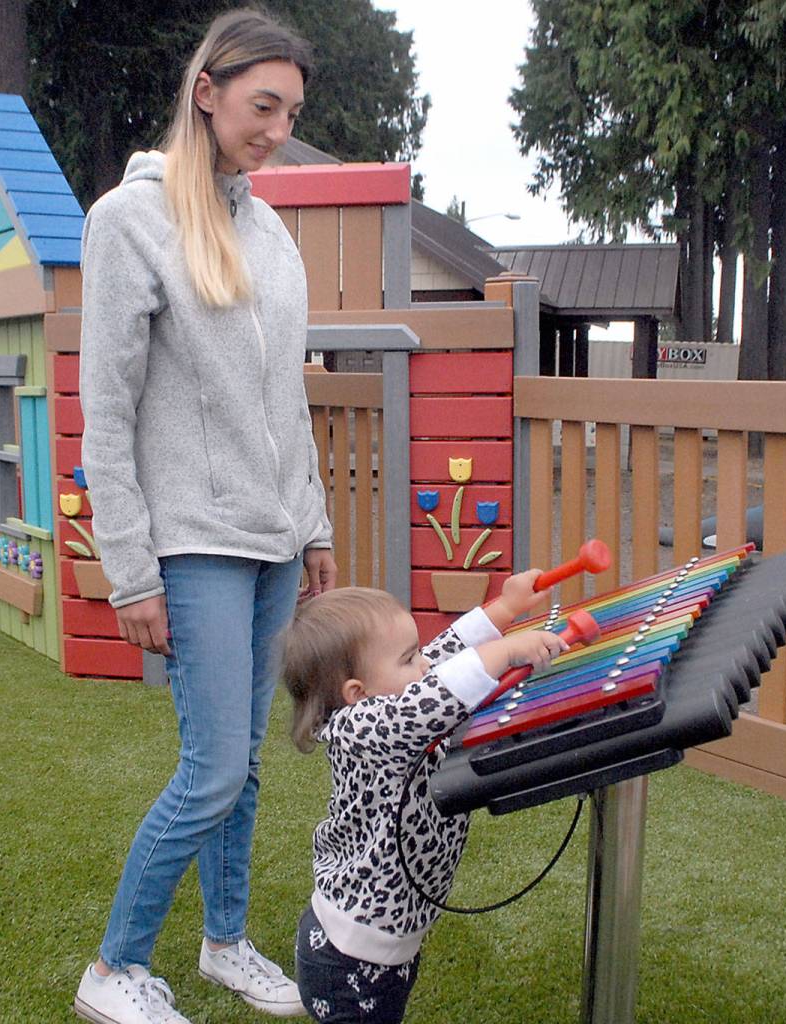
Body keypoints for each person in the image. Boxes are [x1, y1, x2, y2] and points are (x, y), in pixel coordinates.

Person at [74, 9, 336, 1024]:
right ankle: (114, 969)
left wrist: (310, 523)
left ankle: (225, 942)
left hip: (273, 542)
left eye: (291, 111)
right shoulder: (127, 220)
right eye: (261, 105)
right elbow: (108, 410)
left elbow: (287, 398)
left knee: (248, 762)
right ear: (207, 91)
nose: (274, 128)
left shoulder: (269, 233)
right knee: (215, 765)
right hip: (192, 545)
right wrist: (131, 570)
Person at [281, 572, 568, 1023]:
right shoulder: (362, 727)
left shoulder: (393, 691)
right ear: (357, 693)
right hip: (350, 956)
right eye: (409, 657)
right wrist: (508, 649)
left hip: (387, 942)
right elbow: (433, 697)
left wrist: (506, 608)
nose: (425, 663)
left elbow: (445, 654)